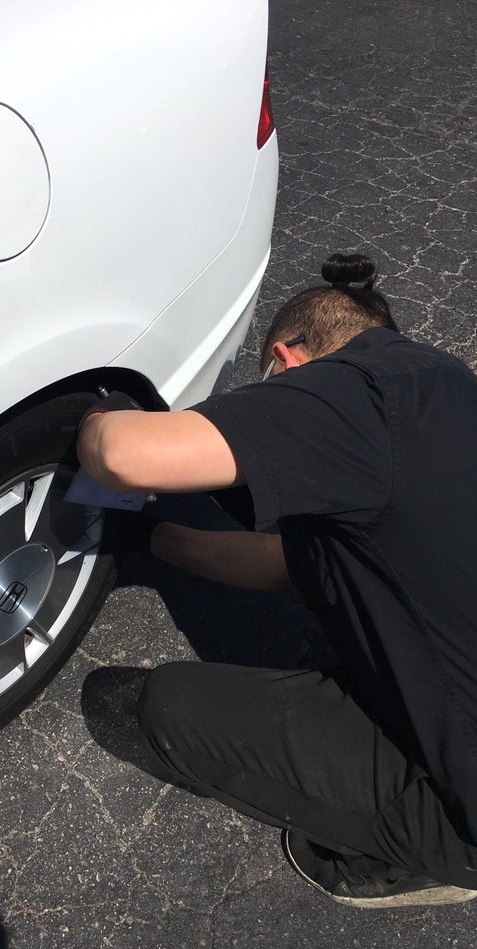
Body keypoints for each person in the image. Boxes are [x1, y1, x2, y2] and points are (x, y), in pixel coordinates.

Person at [76, 252, 477, 908]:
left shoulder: (359, 395)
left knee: (166, 708)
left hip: (467, 801)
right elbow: (281, 566)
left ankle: (420, 855)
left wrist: (95, 420)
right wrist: (146, 539)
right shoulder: (445, 389)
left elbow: (123, 453)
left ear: (288, 363)